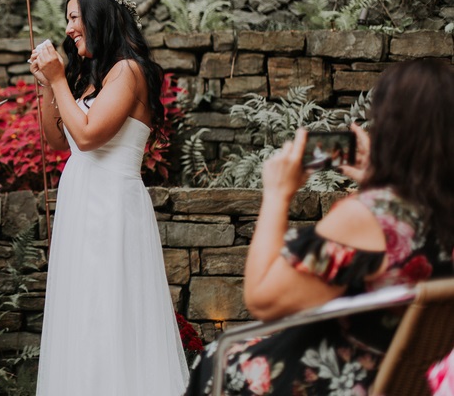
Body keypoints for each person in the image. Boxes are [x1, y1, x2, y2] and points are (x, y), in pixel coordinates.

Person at [185, 58, 454, 395]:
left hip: (337, 379)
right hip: (408, 381)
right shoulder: (432, 212)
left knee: (213, 358)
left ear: (391, 131)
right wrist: (378, 182)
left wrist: (277, 194)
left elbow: (262, 299)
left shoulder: (366, 216)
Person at [29, 0, 189, 396]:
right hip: (82, 207)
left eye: (74, 18)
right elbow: (58, 139)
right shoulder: (92, 77)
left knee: (109, 312)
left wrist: (58, 78)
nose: (68, 29)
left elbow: (87, 136)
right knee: (82, 314)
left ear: (98, 17)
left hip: (111, 209)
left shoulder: (129, 71)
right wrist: (49, 85)